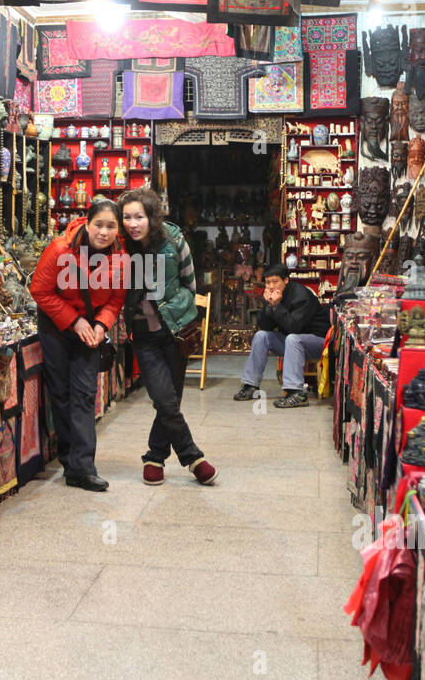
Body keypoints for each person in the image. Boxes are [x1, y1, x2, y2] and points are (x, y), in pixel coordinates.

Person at [118, 188, 216, 486]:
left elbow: (190, 282)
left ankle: (155, 456)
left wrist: (180, 309)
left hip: (176, 331)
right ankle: (193, 456)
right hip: (144, 336)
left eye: (139, 217)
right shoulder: (120, 247)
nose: (133, 223)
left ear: (151, 216)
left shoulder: (173, 239)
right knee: (163, 397)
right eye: (127, 218)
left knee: (169, 401)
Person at [29, 199, 127, 492]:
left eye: (111, 226)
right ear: (87, 224)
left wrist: (100, 325)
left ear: (117, 229)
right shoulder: (60, 249)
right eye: (99, 224)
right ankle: (69, 460)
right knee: (61, 392)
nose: (104, 231)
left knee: (84, 394)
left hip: (91, 330)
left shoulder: (121, 257)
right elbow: (40, 290)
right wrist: (74, 322)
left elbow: (116, 299)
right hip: (57, 326)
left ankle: (83, 468)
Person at [233, 263, 331, 408]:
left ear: (286, 280)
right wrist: (269, 305)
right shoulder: (272, 296)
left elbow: (294, 327)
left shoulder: (301, 295)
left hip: (318, 342)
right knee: (261, 336)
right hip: (293, 343)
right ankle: (250, 386)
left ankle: (296, 392)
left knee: (293, 338)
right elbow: (265, 326)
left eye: (275, 281)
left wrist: (276, 306)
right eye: (268, 282)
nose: (271, 286)